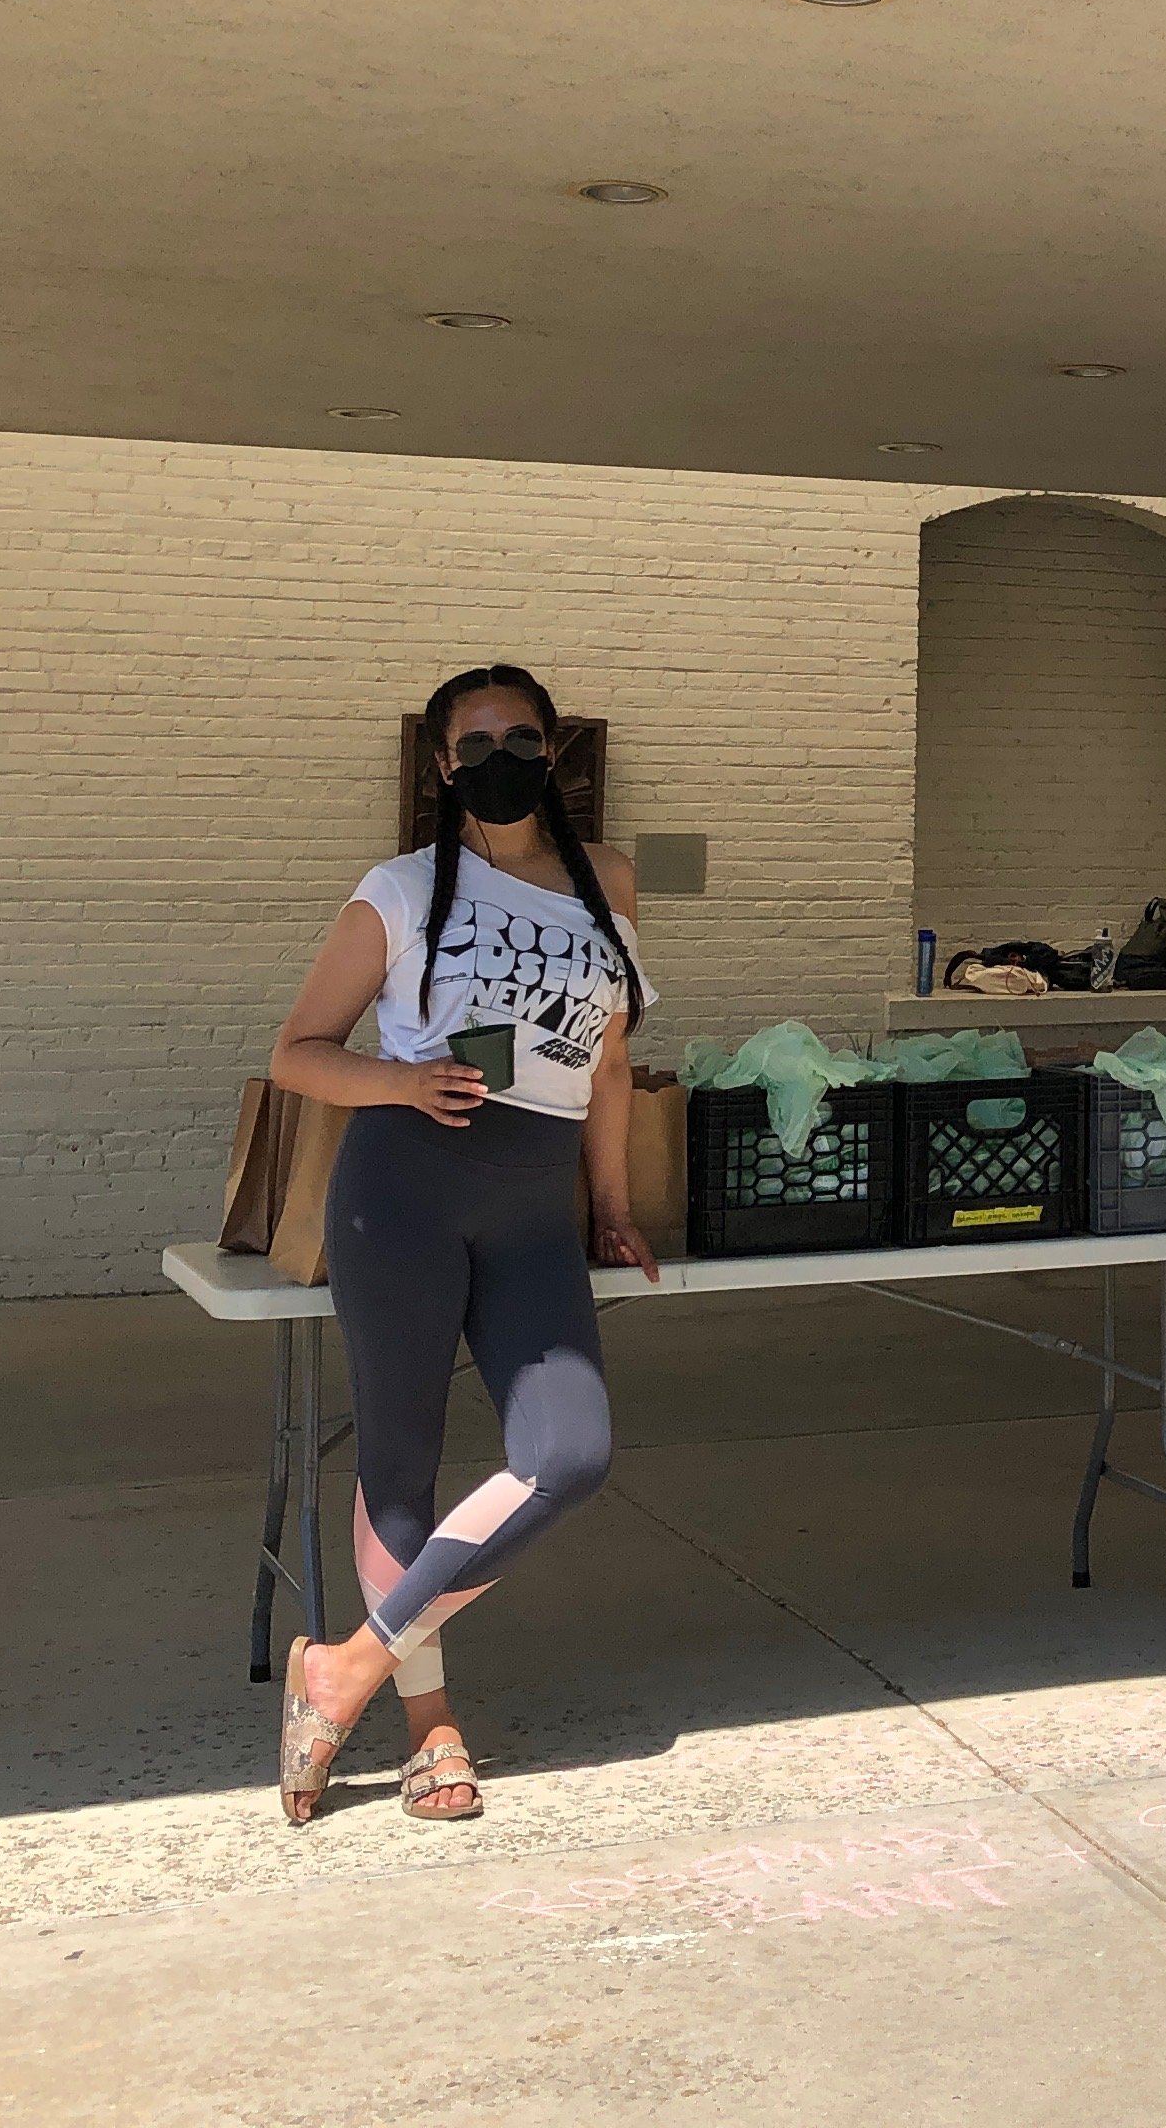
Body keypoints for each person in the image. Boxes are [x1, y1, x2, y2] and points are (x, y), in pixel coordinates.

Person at [262, 664, 656, 1823]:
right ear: (442, 765)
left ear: (553, 750)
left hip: (537, 1203)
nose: (497, 757)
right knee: (400, 1466)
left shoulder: (610, 885)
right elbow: (298, 1050)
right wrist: (396, 1078)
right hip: (407, 1186)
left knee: (569, 1454)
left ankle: (341, 1668)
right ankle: (432, 1728)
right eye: (472, 741)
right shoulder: (397, 890)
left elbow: (615, 1064)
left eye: (519, 736)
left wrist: (615, 1204)